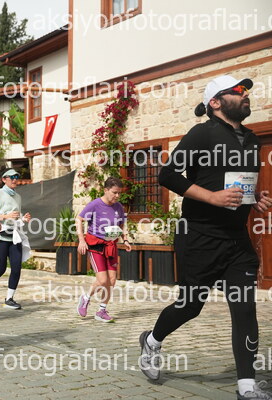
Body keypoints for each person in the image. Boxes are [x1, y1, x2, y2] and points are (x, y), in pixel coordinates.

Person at [138, 76, 272, 399]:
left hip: (236, 241)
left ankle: (246, 386)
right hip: (199, 237)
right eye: (237, 91)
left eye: (245, 91)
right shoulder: (202, 134)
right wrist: (212, 198)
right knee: (190, 306)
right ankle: (152, 341)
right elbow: (167, 175)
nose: (244, 95)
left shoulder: (251, 139)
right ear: (215, 102)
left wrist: (254, 199)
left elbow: (236, 183)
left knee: (244, 308)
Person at [75, 177, 131, 322]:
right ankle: (86, 298)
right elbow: (79, 219)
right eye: (114, 192)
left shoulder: (119, 207)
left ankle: (101, 310)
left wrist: (125, 239)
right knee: (102, 280)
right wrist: (81, 240)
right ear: (106, 190)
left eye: (119, 193)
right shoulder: (95, 204)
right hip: (96, 246)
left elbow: (122, 224)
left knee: (112, 280)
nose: (117, 196)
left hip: (111, 245)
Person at [0, 169, 31, 310]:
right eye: (12, 177)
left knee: (16, 267)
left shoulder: (18, 196)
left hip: (14, 236)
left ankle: (9, 299)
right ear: (4, 179)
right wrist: (6, 216)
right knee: (0, 268)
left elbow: (16, 216)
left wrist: (23, 218)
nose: (15, 179)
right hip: (0, 236)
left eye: (17, 177)